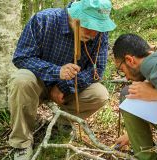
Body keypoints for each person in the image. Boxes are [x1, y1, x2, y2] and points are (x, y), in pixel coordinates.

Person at [8, 0, 116, 159]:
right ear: (75, 16)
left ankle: (63, 122)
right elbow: (21, 57)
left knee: (99, 94)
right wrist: (56, 72)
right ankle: (21, 143)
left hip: (67, 89)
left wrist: (64, 85)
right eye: (89, 26)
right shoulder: (43, 20)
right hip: (36, 82)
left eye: (98, 28)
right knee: (21, 80)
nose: (94, 34)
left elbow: (97, 71)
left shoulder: (99, 33)